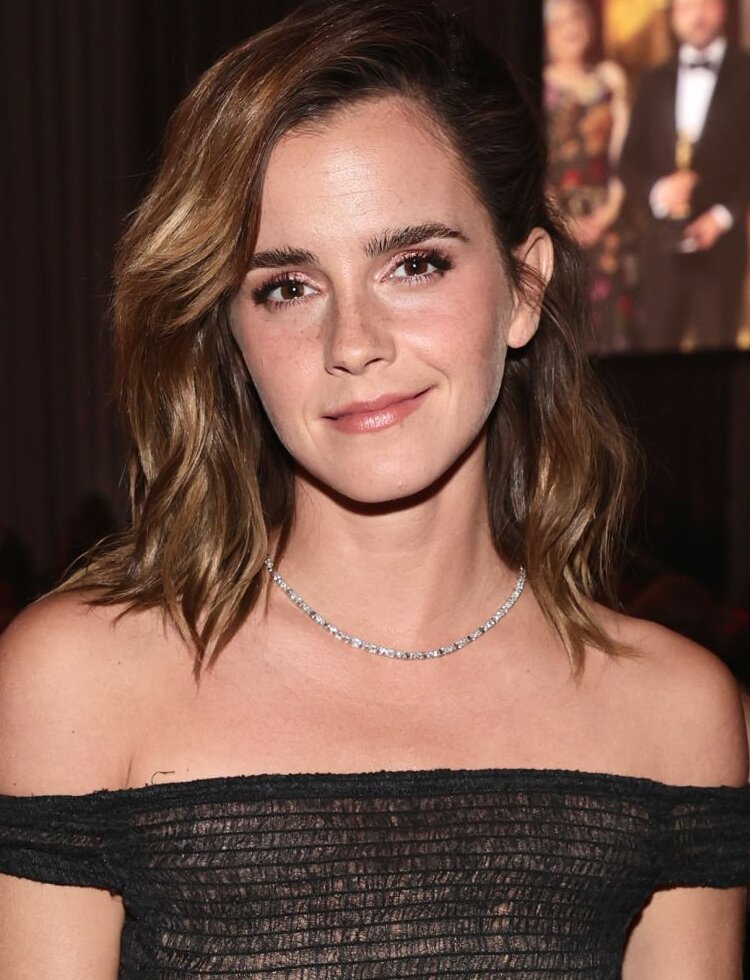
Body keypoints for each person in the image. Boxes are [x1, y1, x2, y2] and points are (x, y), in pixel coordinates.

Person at [0, 0, 747, 976]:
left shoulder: (674, 714)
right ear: (230, 332)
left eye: (414, 264)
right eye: (287, 286)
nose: (353, 343)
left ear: (524, 289)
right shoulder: (80, 682)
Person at [619, 0, 750, 351]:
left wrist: (722, 217)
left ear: (723, 9)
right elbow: (629, 163)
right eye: (686, 7)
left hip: (722, 250)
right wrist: (657, 192)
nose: (697, 14)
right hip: (660, 249)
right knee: (657, 360)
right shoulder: (652, 80)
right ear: (673, 17)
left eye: (706, 3)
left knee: (719, 365)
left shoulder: (746, 73)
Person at [544, 0, 633, 353]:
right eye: (559, 22)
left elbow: (626, 155)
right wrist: (565, 222)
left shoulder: (610, 80)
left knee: (613, 330)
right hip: (556, 223)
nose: (571, 28)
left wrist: (609, 212)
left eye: (576, 18)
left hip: (609, 221)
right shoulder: (539, 86)